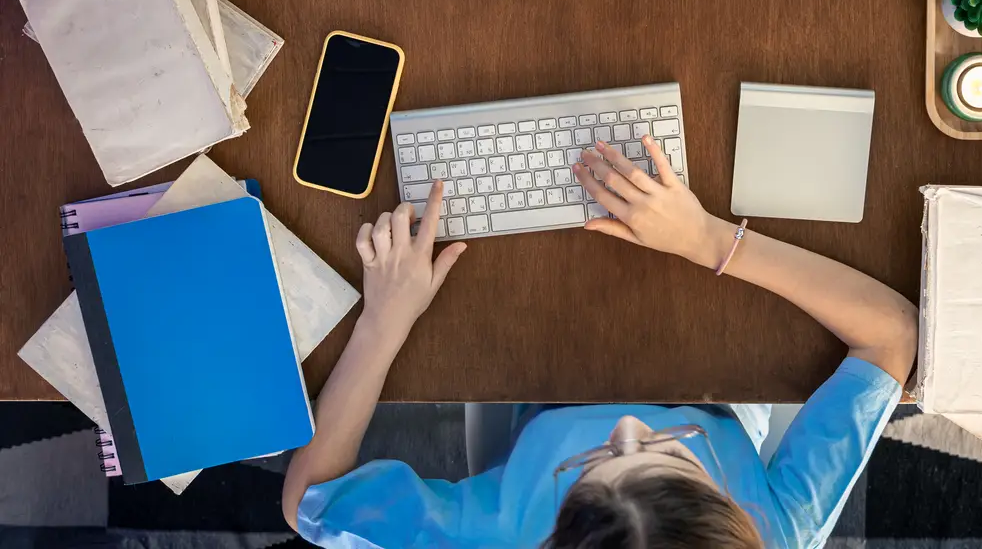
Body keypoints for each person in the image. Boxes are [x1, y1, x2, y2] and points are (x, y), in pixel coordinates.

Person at [283, 134, 918, 548]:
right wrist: (707, 240)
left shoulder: (479, 539)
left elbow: (310, 504)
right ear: (744, 521)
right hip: (716, 396)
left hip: (525, 407)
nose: (626, 426)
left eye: (591, 471)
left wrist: (382, 321)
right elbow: (890, 337)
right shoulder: (785, 531)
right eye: (668, 455)